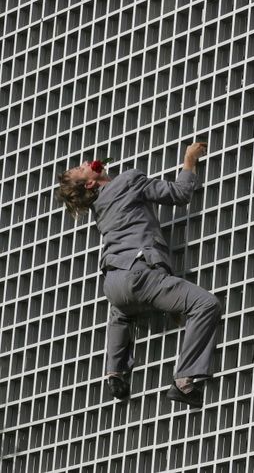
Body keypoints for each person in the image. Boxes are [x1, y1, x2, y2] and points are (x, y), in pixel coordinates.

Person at [55, 142, 221, 408]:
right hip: (140, 273)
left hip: (113, 281)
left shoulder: (99, 208)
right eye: (81, 168)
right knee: (206, 305)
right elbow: (179, 194)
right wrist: (189, 161)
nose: (86, 162)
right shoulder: (128, 180)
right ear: (89, 184)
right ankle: (185, 382)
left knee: (121, 311)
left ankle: (115, 372)